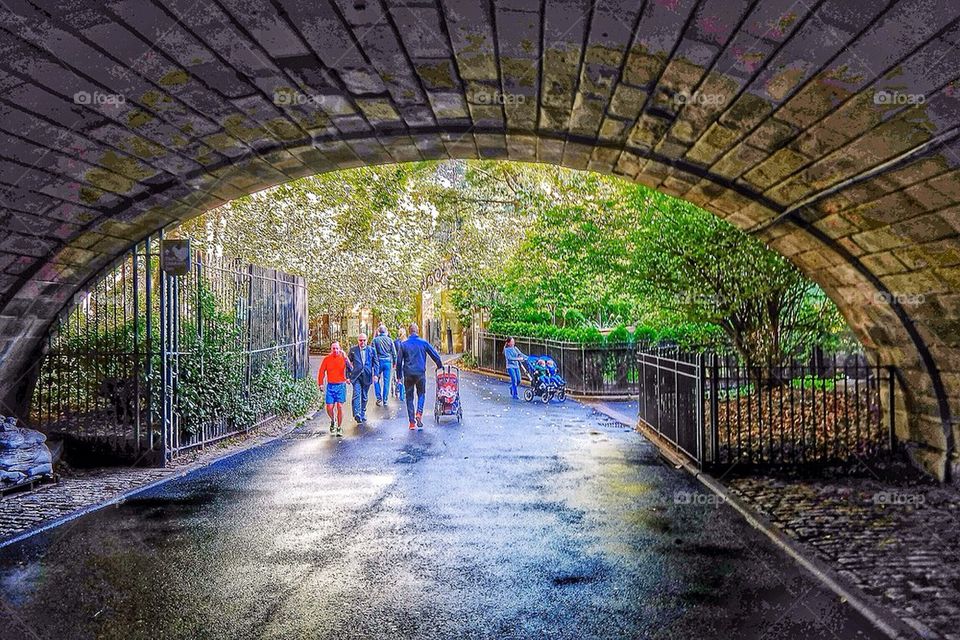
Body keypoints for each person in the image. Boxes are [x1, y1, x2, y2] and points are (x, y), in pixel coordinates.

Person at [397, 322, 443, 430]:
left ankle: (412, 423)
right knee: (421, 394)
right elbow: (435, 355)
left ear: (409, 332)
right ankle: (419, 413)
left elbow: (399, 362)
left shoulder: (403, 344)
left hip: (408, 374)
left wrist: (399, 376)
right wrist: (439, 365)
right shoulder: (423, 343)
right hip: (420, 373)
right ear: (418, 331)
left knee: (409, 397)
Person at [317, 341, 353, 437]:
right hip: (331, 386)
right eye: (334, 348)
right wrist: (320, 383)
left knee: (340, 407)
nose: (335, 350)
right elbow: (321, 371)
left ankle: (339, 427)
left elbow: (351, 368)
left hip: (341, 385)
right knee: (329, 407)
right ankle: (333, 420)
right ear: (331, 349)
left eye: (337, 348)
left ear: (340, 348)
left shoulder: (343, 358)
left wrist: (348, 378)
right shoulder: (327, 359)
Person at [348, 334, 379, 423]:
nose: (362, 342)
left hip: (367, 375)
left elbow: (376, 363)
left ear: (367, 340)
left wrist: (376, 375)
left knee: (364, 396)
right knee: (357, 394)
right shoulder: (353, 350)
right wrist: (348, 375)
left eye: (364, 340)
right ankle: (357, 413)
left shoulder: (371, 350)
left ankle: (362, 412)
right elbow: (348, 363)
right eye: (360, 340)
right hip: (356, 376)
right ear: (358, 340)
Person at [371, 324, 397, 406]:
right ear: (386, 331)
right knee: (386, 381)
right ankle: (385, 400)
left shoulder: (375, 340)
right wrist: (395, 363)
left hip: (378, 362)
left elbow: (373, 353)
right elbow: (394, 352)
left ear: (378, 331)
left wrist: (373, 363)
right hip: (387, 362)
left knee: (376, 380)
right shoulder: (390, 340)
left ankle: (379, 398)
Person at [393, 328, 407, 400]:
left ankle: (397, 388)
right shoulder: (407, 342)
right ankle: (402, 394)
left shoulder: (396, 342)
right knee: (404, 378)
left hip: (398, 361)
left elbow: (394, 352)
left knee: (399, 377)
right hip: (406, 361)